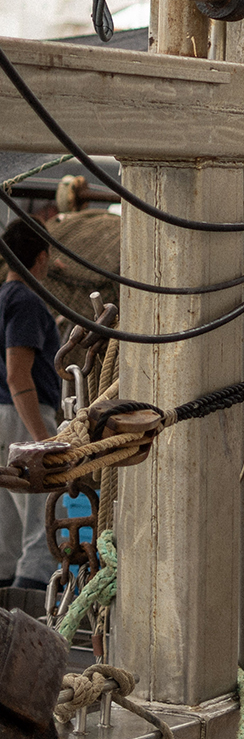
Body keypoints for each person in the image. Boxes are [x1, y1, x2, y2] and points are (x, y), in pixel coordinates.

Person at [0, 220, 62, 592]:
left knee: (6, 526)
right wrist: (42, 440)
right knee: (43, 520)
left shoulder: (3, 297)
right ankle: (34, 604)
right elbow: (17, 373)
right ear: (40, 258)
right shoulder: (25, 301)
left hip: (2, 416)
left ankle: (6, 610)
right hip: (25, 414)